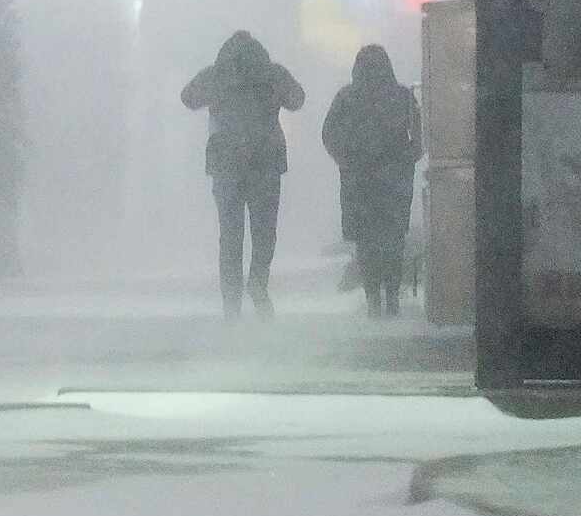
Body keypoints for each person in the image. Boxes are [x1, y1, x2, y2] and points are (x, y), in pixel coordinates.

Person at [180, 31, 304, 317]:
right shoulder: (271, 74)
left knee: (230, 236)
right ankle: (258, 282)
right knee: (264, 233)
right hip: (265, 163)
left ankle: (231, 302)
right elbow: (297, 99)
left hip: (226, 165)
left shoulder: (217, 75)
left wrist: (221, 82)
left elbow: (188, 97)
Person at [322, 43, 422, 318]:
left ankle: (373, 299)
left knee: (366, 244)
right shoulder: (402, 96)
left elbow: (328, 134)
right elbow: (418, 136)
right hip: (394, 182)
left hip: (359, 182)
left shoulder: (347, 98)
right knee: (393, 242)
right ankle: (391, 298)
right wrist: (405, 159)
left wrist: (346, 159)